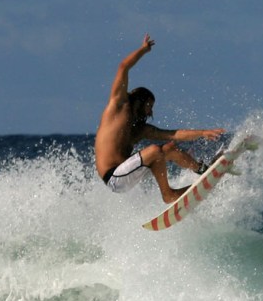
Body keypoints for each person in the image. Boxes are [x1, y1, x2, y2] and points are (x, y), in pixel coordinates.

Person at [95, 33, 226, 204]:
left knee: (169, 148)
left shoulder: (140, 129)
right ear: (139, 101)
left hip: (127, 174)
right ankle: (168, 194)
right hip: (113, 178)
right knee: (155, 151)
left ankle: (203, 170)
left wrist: (202, 133)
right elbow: (123, 67)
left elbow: (174, 134)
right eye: (149, 106)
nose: (150, 112)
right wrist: (143, 50)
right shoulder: (118, 105)